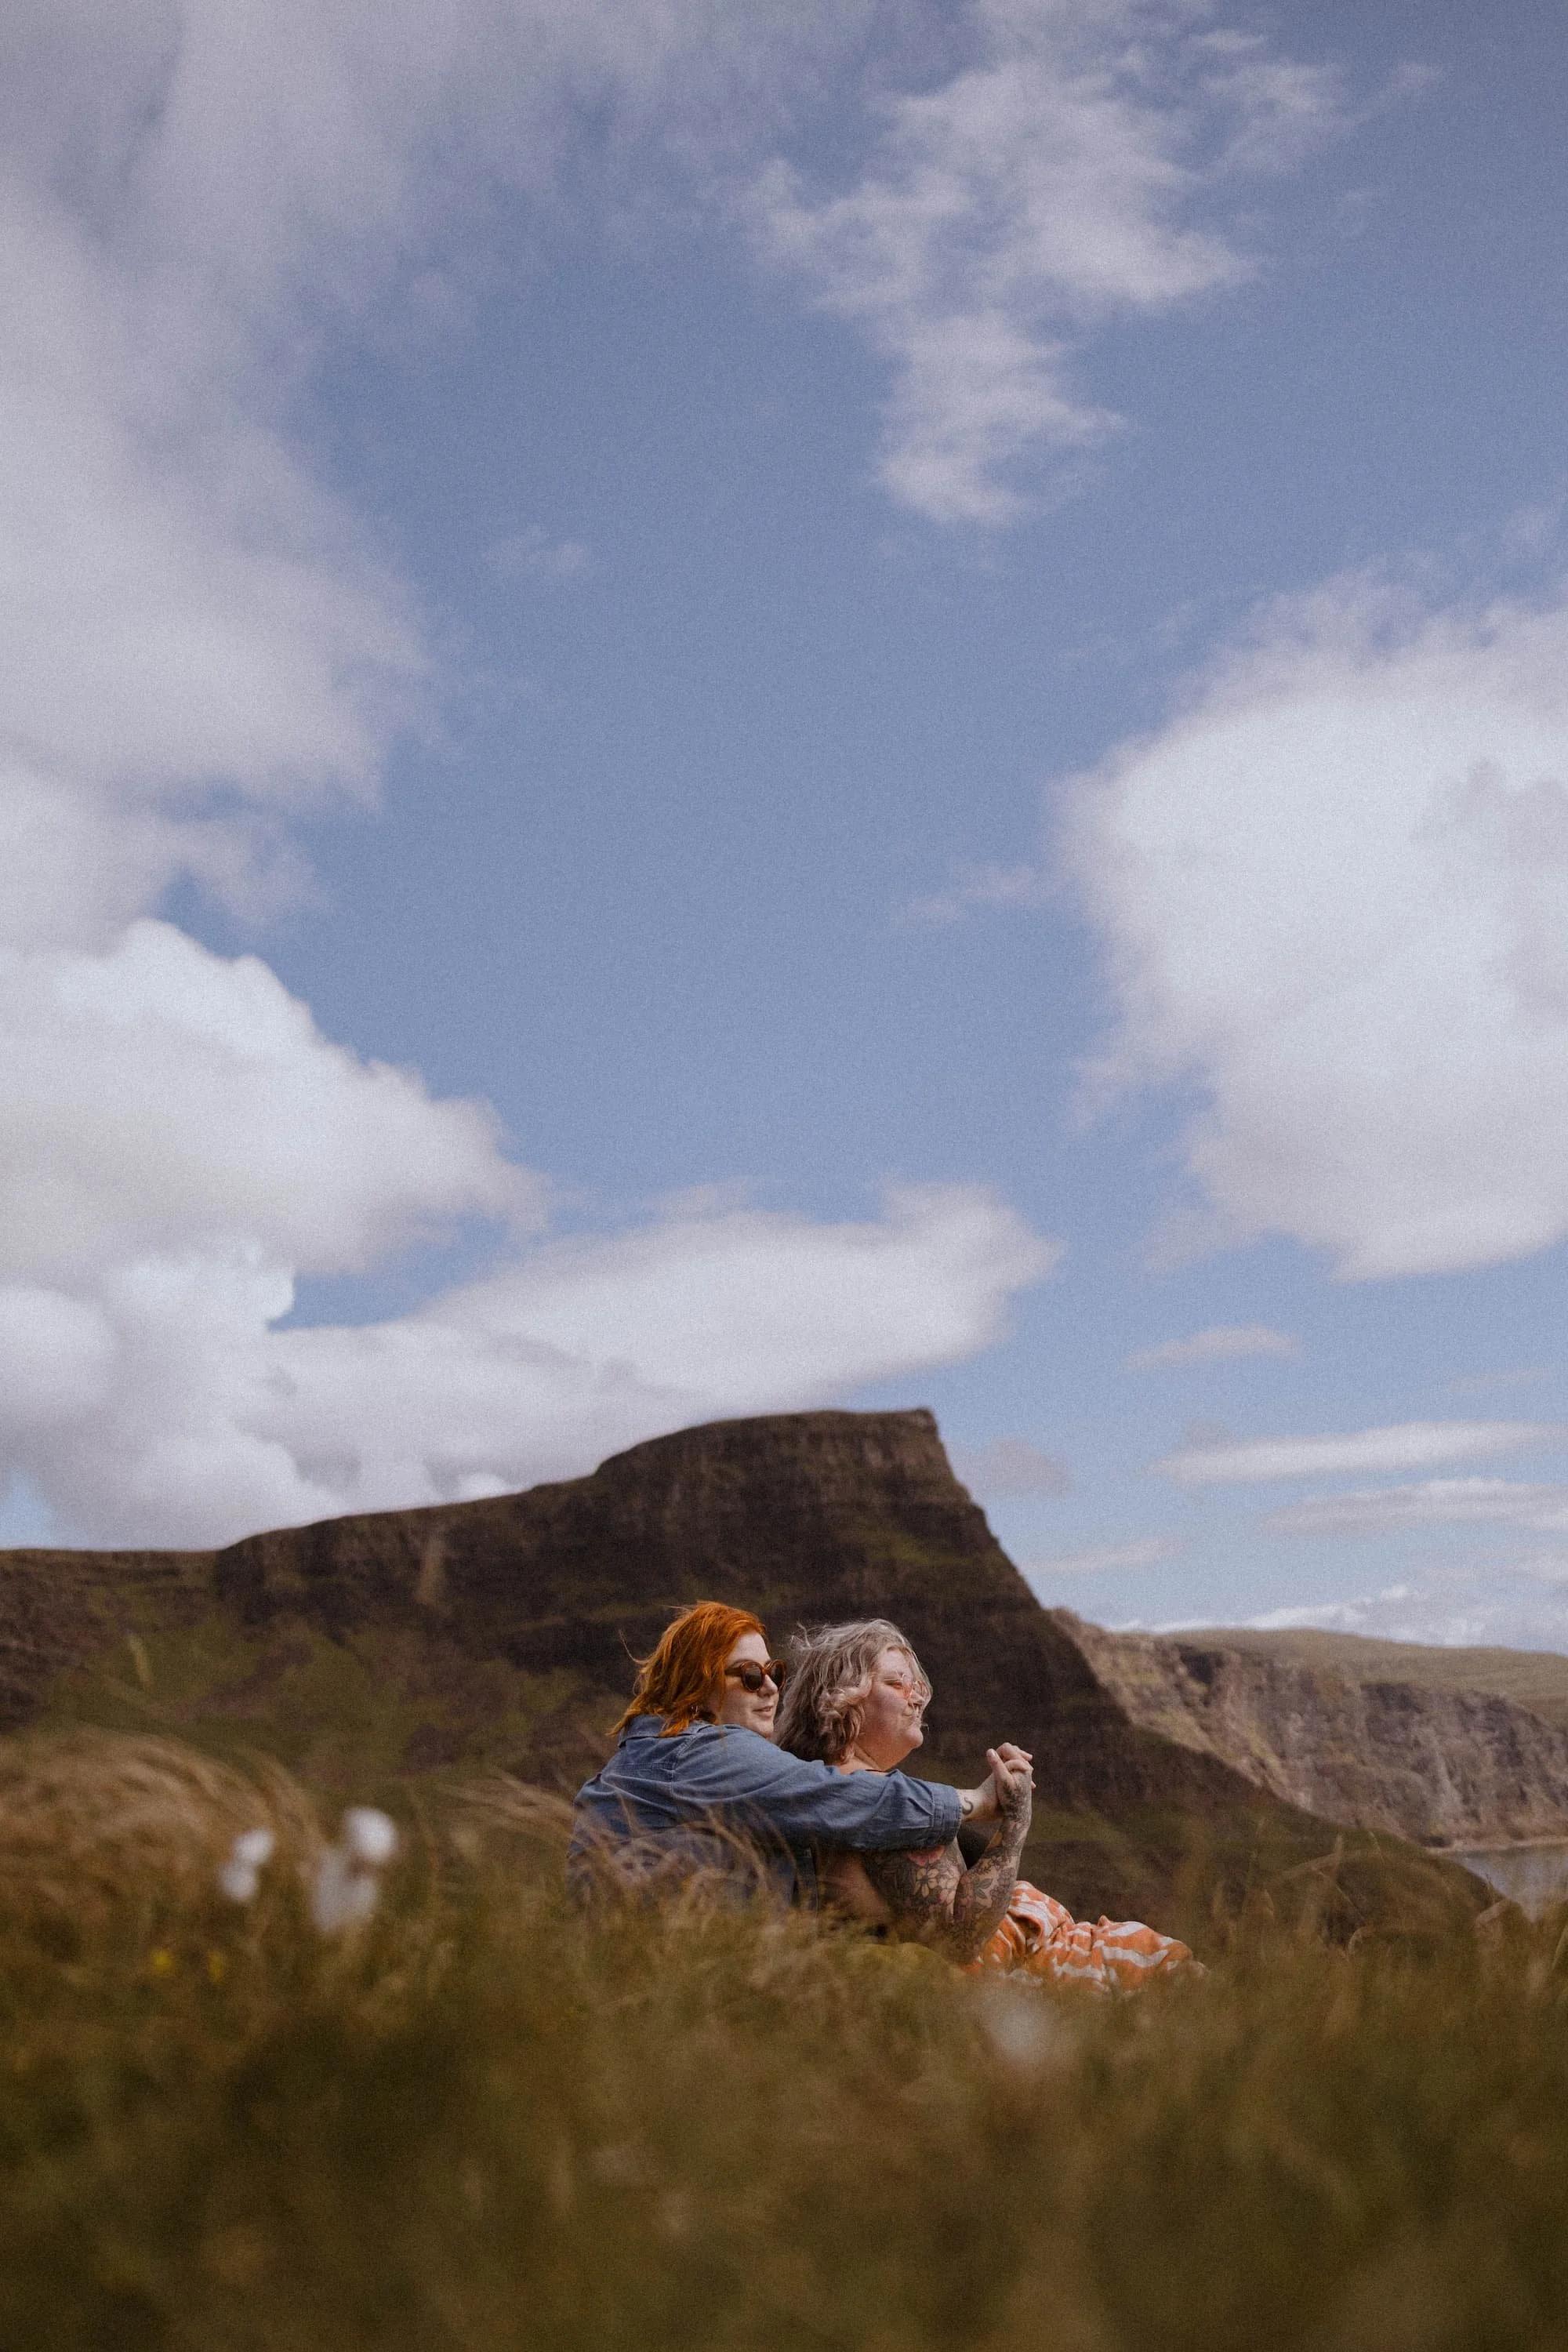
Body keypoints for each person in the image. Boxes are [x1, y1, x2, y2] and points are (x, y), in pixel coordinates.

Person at [775, 1617, 1202, 1991]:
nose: (918, 1697)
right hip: (1044, 1965)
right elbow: (962, 1937)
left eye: (918, 1684)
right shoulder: (891, 1805)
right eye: (896, 1682)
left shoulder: (834, 1795)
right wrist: (1015, 1823)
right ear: (843, 1700)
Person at [569, 1600, 1027, 1907]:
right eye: (749, 1675)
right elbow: (841, 1799)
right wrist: (978, 1803)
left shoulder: (639, 1760)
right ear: (697, 1687)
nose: (770, 1686)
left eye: (774, 1671)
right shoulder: (701, 1751)